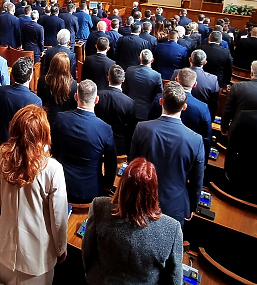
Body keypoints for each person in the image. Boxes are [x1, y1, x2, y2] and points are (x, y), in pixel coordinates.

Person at [0, 105, 68, 285]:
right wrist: (60, 247)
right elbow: (58, 216)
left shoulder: (0, 154)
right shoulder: (52, 168)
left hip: (6, 246)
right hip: (37, 254)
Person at [82, 157, 183, 285]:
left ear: (122, 185)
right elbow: (174, 278)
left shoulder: (99, 206)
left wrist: (90, 274)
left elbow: (87, 253)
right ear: (154, 190)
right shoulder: (172, 228)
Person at [129, 81, 204, 226]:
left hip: (141, 199)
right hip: (175, 205)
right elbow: (196, 182)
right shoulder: (196, 140)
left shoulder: (142, 129)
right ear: (184, 107)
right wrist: (191, 206)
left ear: (161, 102)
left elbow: (133, 166)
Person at [52, 80, 117, 203]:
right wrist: (107, 186)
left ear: (76, 96)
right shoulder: (105, 129)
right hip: (90, 192)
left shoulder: (61, 119)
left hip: (61, 187)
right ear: (96, 99)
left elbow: (54, 149)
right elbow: (111, 164)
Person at [0, 57, 41, 143]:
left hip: (3, 142)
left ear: (12, 75)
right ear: (30, 77)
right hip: (23, 146)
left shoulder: (0, 91)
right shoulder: (35, 100)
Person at [221, 60, 257, 134]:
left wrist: (224, 128)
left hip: (237, 132)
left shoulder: (237, 87)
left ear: (251, 73)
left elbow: (228, 111)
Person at [37, 51, 78, 127]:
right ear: (67, 67)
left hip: (46, 120)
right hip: (66, 123)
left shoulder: (42, 81)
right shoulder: (73, 84)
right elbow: (73, 107)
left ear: (52, 64)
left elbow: (40, 102)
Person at [123, 49, 163, 122]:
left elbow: (124, 91)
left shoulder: (129, 70)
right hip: (146, 113)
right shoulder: (156, 76)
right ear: (152, 60)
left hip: (128, 110)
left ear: (139, 58)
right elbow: (158, 96)